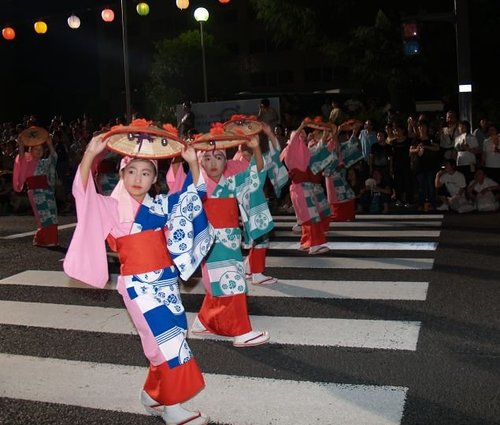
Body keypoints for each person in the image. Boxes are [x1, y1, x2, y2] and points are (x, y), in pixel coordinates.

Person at [63, 133, 213, 425]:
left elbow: (195, 198)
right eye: (130, 171)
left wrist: (194, 163)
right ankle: (172, 407)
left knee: (172, 336)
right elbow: (82, 195)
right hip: (139, 287)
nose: (137, 178)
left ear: (153, 178)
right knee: (166, 343)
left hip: (166, 282)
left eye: (146, 173)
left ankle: (153, 393)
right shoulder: (109, 206)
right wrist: (89, 156)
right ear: (121, 173)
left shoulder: (160, 205)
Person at [187, 135, 273, 346]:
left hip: (231, 241)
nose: (213, 163)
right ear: (200, 162)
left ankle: (203, 322)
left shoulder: (231, 182)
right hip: (213, 243)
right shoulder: (198, 186)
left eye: (218, 157)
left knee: (220, 285)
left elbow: (255, 175)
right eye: (206, 158)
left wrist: (255, 149)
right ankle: (242, 331)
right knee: (233, 283)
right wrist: (190, 159)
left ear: (227, 161)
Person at [281, 120, 332, 254]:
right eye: (300, 134)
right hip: (300, 188)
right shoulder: (290, 150)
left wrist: (326, 133)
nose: (303, 135)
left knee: (307, 218)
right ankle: (315, 245)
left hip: (304, 188)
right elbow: (293, 140)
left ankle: (305, 242)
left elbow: (318, 149)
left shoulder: (302, 151)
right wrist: (301, 126)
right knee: (311, 217)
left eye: (304, 133)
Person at [13, 133, 59, 246]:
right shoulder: (27, 163)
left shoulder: (44, 162)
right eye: (36, 149)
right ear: (30, 150)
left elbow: (53, 158)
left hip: (47, 191)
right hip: (36, 192)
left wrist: (50, 144)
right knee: (44, 215)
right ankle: (48, 240)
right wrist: (21, 146)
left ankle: (41, 238)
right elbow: (21, 158)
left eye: (41, 149)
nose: (39, 151)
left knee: (52, 214)